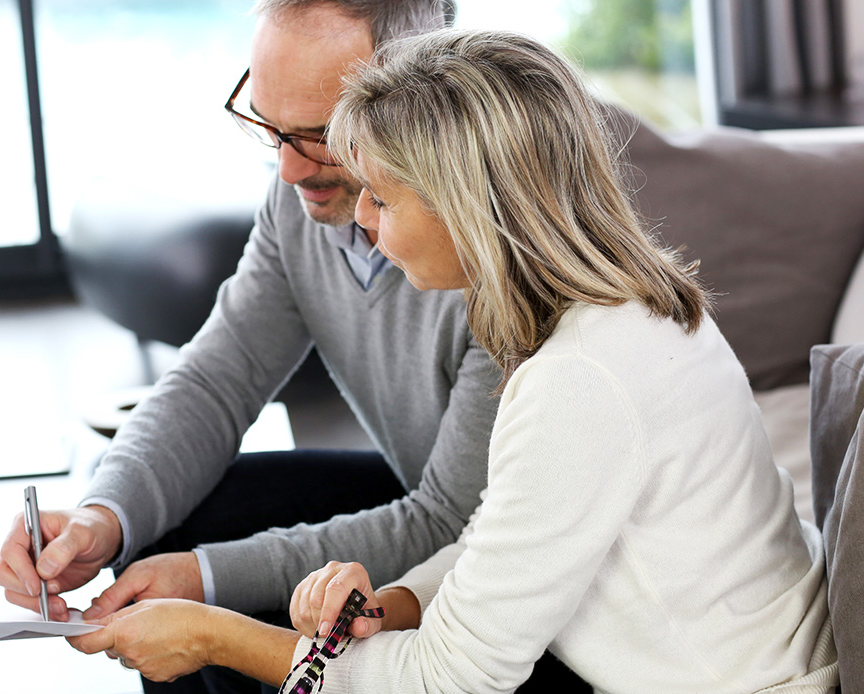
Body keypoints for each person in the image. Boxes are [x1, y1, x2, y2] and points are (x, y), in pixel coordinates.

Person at [67, 29, 839, 693]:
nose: (360, 222)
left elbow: (448, 679)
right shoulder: (625, 310)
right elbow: (505, 534)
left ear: (470, 207)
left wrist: (214, 635)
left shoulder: (582, 378)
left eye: (382, 198)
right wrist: (396, 602)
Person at [0, 2, 517, 693]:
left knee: (204, 589)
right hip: (423, 487)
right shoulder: (303, 201)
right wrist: (103, 516)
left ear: (420, 93)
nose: (290, 169)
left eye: (319, 133)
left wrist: (206, 578)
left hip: (503, 556)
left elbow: (454, 521)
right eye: (269, 126)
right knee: (163, 530)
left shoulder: (504, 258)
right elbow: (218, 378)